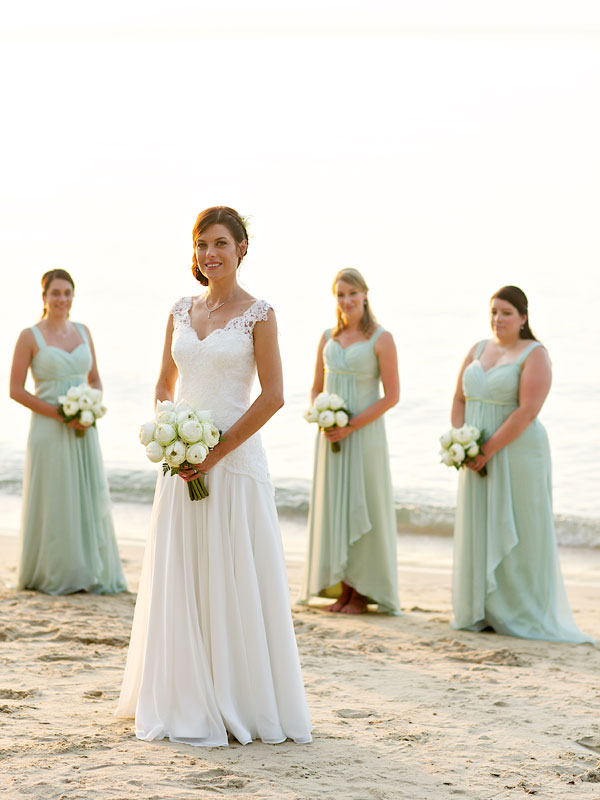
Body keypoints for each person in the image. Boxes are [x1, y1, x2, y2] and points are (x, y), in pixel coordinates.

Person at [116, 206, 312, 746]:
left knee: (232, 576)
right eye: (202, 244)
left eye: (221, 243)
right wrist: (173, 434)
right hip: (181, 467)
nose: (210, 254)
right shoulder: (180, 310)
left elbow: (273, 396)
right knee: (182, 572)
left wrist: (215, 452)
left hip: (234, 465)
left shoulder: (260, 313)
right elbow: (163, 383)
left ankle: (237, 699)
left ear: (242, 248)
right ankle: (181, 692)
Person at [450, 285, 590, 642]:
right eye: (494, 312)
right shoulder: (478, 349)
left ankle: (518, 610)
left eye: (506, 313)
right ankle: (480, 609)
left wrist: (488, 450)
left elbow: (528, 411)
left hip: (516, 452)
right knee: (480, 524)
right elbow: (458, 399)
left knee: (518, 526)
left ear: (523, 318)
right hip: (476, 453)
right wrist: (461, 443)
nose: (498, 319)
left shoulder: (535, 353)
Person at [9, 269, 127, 595]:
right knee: (56, 499)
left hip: (84, 428)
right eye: (55, 293)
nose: (62, 299)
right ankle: (54, 572)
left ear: (73, 296)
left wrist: (91, 407)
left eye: (67, 293)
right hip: (49, 430)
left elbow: (95, 379)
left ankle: (88, 571)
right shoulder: (29, 336)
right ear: (44, 297)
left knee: (86, 497)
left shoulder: (84, 331)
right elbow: (16, 391)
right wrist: (62, 415)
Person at [298, 268, 400, 615]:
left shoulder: (381, 338)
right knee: (334, 506)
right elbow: (315, 387)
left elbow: (392, 396)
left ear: (365, 295)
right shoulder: (328, 336)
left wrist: (350, 425)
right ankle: (342, 591)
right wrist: (321, 414)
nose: (346, 301)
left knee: (363, 503)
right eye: (340, 294)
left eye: (352, 293)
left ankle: (361, 594)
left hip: (363, 435)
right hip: (330, 437)